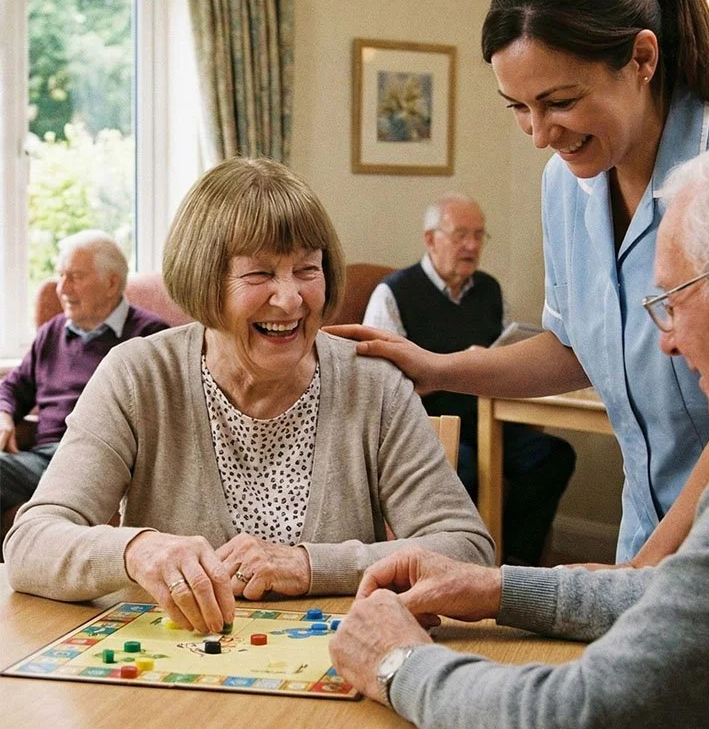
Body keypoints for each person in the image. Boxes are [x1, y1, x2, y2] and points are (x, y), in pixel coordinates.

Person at [327, 0, 709, 566]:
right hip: (647, 535)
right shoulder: (567, 182)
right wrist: (438, 368)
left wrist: (637, 578)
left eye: (560, 101)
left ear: (642, 58)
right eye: (519, 108)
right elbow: (578, 345)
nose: (541, 135)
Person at [330, 127, 709, 729]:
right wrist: (493, 587)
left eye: (671, 304)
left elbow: (582, 717)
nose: (665, 342)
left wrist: (396, 661)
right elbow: (681, 599)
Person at [3, 158, 494, 634]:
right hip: (175, 679)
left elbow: (466, 551)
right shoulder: (138, 375)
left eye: (307, 269)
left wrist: (307, 566)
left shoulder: (374, 383)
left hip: (340, 667)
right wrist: (137, 550)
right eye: (259, 274)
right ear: (204, 280)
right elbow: (30, 543)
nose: (290, 298)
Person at [363, 192, 575, 565]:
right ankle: (454, 568)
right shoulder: (393, 293)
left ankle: (514, 571)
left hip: (489, 418)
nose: (472, 246)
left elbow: (504, 355)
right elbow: (376, 384)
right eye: (461, 235)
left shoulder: (490, 290)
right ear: (431, 239)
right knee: (458, 462)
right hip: (426, 425)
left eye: (479, 236)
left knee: (553, 457)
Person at [0, 230, 168, 534]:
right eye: (61, 276)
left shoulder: (150, 336)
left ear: (111, 283)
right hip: (43, 457)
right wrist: (4, 416)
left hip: (102, 460)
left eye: (75, 277)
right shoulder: (52, 332)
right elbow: (13, 387)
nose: (62, 289)